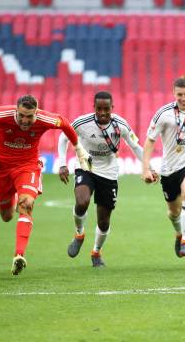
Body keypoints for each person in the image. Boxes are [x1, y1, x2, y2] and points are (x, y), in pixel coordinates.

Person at [0, 95, 91, 275]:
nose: (25, 120)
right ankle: (18, 196)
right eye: (22, 115)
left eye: (30, 116)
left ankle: (19, 255)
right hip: (0, 168)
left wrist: (79, 151)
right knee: (7, 215)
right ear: (16, 111)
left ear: (36, 112)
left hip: (27, 166)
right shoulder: (3, 115)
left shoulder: (44, 119)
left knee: (26, 205)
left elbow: (64, 123)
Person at [58, 91, 154, 267]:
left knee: (103, 221)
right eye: (99, 109)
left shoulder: (121, 125)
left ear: (112, 108)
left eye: (106, 109)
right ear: (93, 107)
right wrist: (62, 163)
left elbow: (135, 146)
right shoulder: (82, 122)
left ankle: (96, 252)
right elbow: (63, 137)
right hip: (86, 166)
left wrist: (148, 167)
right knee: (82, 201)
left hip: (109, 173)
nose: (102, 113)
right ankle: (79, 234)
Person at [142, 76, 185, 258]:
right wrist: (145, 168)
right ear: (174, 94)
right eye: (180, 95)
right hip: (169, 167)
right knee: (173, 212)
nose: (184, 98)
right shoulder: (164, 114)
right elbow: (150, 140)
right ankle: (179, 233)